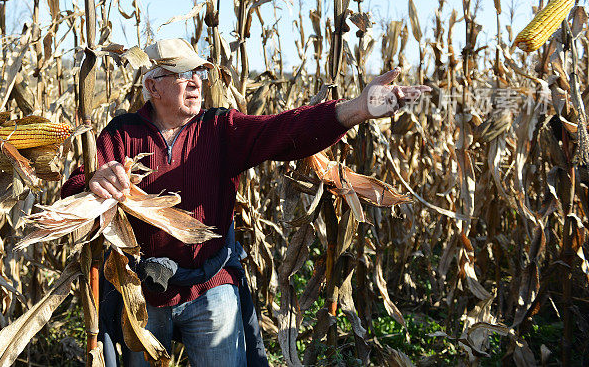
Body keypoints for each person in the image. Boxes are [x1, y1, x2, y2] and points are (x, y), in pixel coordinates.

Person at [61, 38, 431, 366]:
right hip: (142, 292)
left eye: (199, 75)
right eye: (183, 74)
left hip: (210, 286)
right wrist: (93, 181)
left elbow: (284, 131)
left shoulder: (220, 129)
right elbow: (73, 192)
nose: (195, 82)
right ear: (152, 86)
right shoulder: (121, 135)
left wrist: (358, 109)